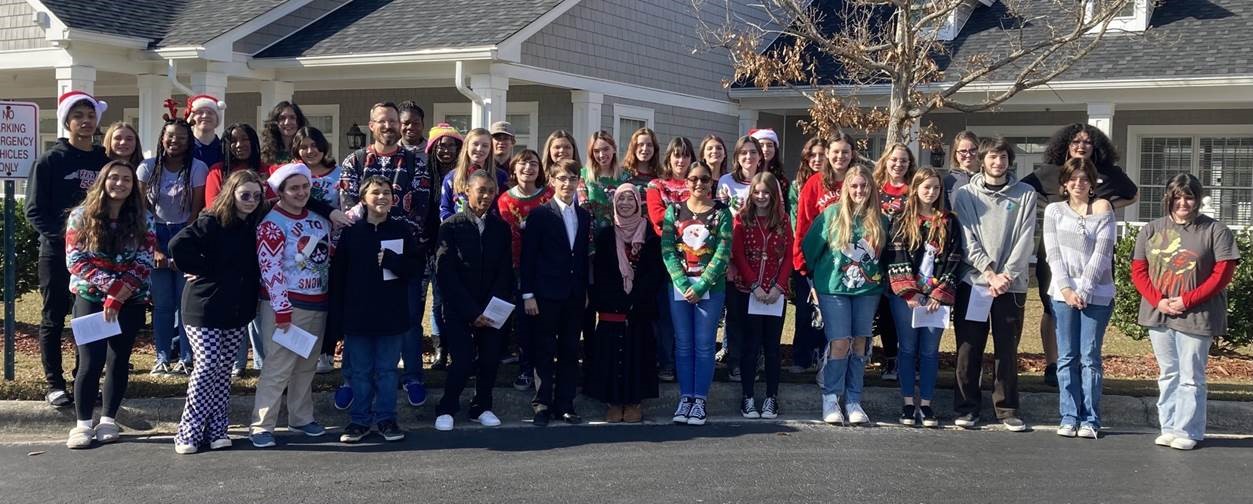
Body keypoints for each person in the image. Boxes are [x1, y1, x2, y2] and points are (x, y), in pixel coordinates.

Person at [339, 102, 440, 409]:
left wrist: (391, 234)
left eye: (393, 121)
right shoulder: (355, 160)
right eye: (382, 121)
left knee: (408, 316)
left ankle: (411, 376)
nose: (388, 126)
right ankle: (350, 380)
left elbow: (420, 208)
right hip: (361, 255)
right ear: (372, 125)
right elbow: (348, 207)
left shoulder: (415, 162)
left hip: (401, 250)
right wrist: (374, 236)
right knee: (357, 316)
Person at [1024, 123, 1138, 388]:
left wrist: (1109, 204)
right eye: (1076, 141)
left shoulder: (1109, 174)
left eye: (1087, 142)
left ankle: (1082, 362)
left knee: (1090, 305)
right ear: (1066, 145)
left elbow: (1133, 194)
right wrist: (1050, 206)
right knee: (1052, 305)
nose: (1081, 146)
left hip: (1094, 251)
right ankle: (1054, 364)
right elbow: (1023, 192)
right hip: (1055, 249)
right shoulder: (1048, 173)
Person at [1132, 173, 1238, 450]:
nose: (1183, 202)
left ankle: (1188, 430)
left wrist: (1188, 299)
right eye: (1177, 196)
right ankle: (1168, 426)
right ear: (1168, 197)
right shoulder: (1151, 230)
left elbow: (1223, 273)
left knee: (1191, 376)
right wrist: (1159, 300)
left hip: (1196, 315)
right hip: (1160, 313)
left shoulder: (1215, 231)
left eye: (1189, 196)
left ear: (1197, 199)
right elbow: (1139, 271)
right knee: (1168, 374)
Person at [168, 170, 267, 453]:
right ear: (231, 194)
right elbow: (178, 245)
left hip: (237, 309)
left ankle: (217, 428)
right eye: (244, 195)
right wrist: (202, 269)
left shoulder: (256, 223)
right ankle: (188, 431)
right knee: (208, 364)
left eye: (256, 196)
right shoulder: (211, 220)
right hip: (203, 307)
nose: (250, 200)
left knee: (224, 370)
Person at [25, 90, 110, 408]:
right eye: (78, 116)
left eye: (90, 116)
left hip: (96, 255)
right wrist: (66, 240)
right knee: (53, 317)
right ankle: (54, 384)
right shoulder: (50, 161)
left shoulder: (103, 160)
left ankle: (83, 379)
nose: (85, 121)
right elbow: (34, 211)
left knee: (88, 317)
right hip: (56, 253)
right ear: (67, 121)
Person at [63, 160, 156, 449]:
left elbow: (144, 260)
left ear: (133, 185)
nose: (120, 184)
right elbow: (75, 259)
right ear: (102, 181)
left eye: (126, 180)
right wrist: (111, 289)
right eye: (114, 178)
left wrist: (120, 295)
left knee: (118, 360)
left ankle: (108, 420)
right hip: (90, 298)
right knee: (90, 361)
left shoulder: (144, 217)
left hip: (131, 300)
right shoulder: (81, 216)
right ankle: (82, 424)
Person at [950, 137, 1037, 432]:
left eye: (1002, 157)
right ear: (982, 160)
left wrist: (1006, 275)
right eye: (992, 158)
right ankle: (967, 407)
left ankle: (1007, 408)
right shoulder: (965, 195)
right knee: (969, 347)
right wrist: (989, 273)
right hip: (975, 282)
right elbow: (966, 238)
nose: (997, 163)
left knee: (1007, 348)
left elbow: (1026, 239)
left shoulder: (1026, 194)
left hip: (1010, 286)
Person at [330, 176, 421, 443]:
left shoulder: (402, 231)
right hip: (358, 314)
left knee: (387, 370)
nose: (382, 197)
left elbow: (415, 270)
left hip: (391, 313)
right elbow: (339, 276)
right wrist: (338, 316)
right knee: (359, 371)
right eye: (375, 193)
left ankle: (386, 419)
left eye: (386, 193)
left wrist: (396, 262)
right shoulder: (352, 232)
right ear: (363, 199)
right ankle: (359, 421)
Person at [249, 163, 334, 448]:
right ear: (281, 191)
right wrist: (281, 308)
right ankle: (262, 424)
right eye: (294, 188)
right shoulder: (271, 223)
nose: (301, 193)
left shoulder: (320, 220)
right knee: (278, 366)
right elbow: (270, 268)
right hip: (285, 306)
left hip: (317, 302)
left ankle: (300, 417)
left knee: (306, 366)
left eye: (305, 187)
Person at [802, 165, 889, 426]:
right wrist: (817, 282)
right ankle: (831, 397)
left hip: (867, 290)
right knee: (840, 342)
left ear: (871, 188)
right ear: (846, 189)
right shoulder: (831, 216)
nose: (859, 190)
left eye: (864, 186)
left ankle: (853, 400)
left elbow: (884, 257)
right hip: (834, 289)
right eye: (854, 186)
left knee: (860, 343)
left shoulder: (880, 220)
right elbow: (810, 250)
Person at [434, 169, 514, 431]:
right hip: (460, 308)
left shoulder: (500, 228)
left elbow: (505, 271)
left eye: (491, 191)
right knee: (463, 359)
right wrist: (471, 312)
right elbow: (445, 272)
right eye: (482, 190)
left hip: (491, 308)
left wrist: (491, 308)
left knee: (490, 359)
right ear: (467, 191)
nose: (487, 196)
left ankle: (482, 406)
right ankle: (447, 407)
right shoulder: (451, 226)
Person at [1043, 158, 1117, 439]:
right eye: (1073, 179)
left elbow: (1102, 254)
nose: (1078, 184)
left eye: (1084, 179)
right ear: (1064, 182)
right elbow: (1053, 253)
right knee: (1066, 357)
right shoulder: (1054, 211)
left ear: (1092, 183)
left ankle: (1090, 419)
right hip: (1062, 294)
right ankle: (1069, 415)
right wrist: (1066, 290)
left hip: (1096, 294)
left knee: (1089, 357)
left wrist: (1083, 291)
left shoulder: (1103, 210)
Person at [886, 168, 962, 428]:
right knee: (907, 348)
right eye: (926, 187)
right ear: (916, 188)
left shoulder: (949, 221)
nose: (931, 192)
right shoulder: (900, 218)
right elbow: (895, 255)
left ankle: (926, 405)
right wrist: (910, 291)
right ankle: (908, 402)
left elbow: (955, 259)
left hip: (935, 299)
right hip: (906, 297)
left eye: (936, 188)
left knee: (929, 351)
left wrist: (939, 294)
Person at [522, 158, 593, 426]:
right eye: (562, 178)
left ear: (578, 182)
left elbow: (582, 257)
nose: (567, 183)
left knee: (569, 350)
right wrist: (528, 294)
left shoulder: (584, 216)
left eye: (572, 179)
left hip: (574, 295)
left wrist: (584, 289)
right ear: (552, 181)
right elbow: (528, 258)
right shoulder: (540, 215)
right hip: (545, 295)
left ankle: (565, 404)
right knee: (544, 349)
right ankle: (542, 405)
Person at [661, 162, 732, 426]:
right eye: (693, 179)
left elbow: (723, 253)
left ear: (711, 182)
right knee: (682, 343)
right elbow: (668, 249)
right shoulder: (674, 211)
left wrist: (701, 285)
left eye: (704, 179)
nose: (699, 184)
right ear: (686, 182)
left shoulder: (722, 213)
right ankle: (685, 397)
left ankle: (700, 399)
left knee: (703, 344)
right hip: (679, 287)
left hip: (711, 289)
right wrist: (681, 281)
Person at [137, 115, 209, 377]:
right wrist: (154, 247)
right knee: (163, 303)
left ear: (189, 141)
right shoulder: (147, 168)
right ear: (161, 139)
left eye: (181, 137)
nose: (174, 141)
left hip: (185, 232)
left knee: (185, 302)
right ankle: (162, 356)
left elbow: (197, 210)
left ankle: (188, 358)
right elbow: (141, 211)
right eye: (170, 136)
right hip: (155, 232)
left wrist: (184, 246)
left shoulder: (198, 168)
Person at [586, 184, 662, 423]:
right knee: (610, 356)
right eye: (621, 199)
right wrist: (617, 299)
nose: (626, 203)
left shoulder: (650, 234)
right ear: (614, 203)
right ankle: (613, 402)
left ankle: (634, 402)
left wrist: (635, 299)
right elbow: (601, 273)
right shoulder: (606, 235)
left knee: (638, 355)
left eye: (630, 199)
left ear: (638, 204)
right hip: (612, 308)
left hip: (640, 307)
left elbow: (655, 272)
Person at [730, 172, 792, 419]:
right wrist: (754, 284)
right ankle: (747, 397)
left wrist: (778, 286)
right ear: (751, 194)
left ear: (774, 195)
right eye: (757, 192)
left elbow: (788, 255)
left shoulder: (783, 220)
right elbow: (738, 254)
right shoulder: (742, 219)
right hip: (750, 291)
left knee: (772, 347)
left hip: (776, 293)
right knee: (751, 345)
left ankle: (771, 397)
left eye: (767, 192)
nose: (762, 197)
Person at [497, 149, 554, 390]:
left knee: (544, 321)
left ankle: (545, 369)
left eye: (533, 163)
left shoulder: (549, 196)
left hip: (546, 267)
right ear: (513, 169)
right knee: (521, 320)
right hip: (515, 266)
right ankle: (525, 368)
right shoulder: (504, 200)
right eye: (522, 164)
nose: (528, 168)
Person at [292, 126, 343, 377]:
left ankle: (326, 352)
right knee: (304, 300)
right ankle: (302, 350)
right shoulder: (293, 175)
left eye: (314, 145)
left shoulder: (339, 175)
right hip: (300, 247)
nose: (310, 151)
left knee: (330, 300)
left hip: (333, 246)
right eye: (303, 146)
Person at [645, 137, 694, 382]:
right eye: (677, 155)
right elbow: (657, 218)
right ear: (668, 158)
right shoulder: (657, 185)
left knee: (691, 312)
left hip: (696, 258)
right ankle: (666, 362)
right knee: (666, 313)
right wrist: (692, 220)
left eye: (685, 155)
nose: (681, 160)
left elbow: (709, 215)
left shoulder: (698, 184)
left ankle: (687, 361)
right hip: (664, 258)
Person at [717, 135, 763, 381]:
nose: (749, 157)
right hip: (732, 258)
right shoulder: (726, 182)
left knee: (755, 317)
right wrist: (729, 262)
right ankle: (734, 363)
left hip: (760, 260)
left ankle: (752, 363)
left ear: (760, 156)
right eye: (743, 152)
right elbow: (719, 222)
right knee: (735, 316)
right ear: (736, 157)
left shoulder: (767, 182)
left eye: (753, 152)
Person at [871, 143, 916, 381]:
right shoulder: (875, 189)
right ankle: (890, 359)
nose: (898, 164)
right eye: (894, 160)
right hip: (878, 260)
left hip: (906, 260)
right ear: (886, 161)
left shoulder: (915, 190)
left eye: (904, 161)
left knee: (906, 313)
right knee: (885, 312)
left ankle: (910, 360)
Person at [422, 123, 463, 370]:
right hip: (427, 247)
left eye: (451, 145)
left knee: (448, 300)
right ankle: (439, 350)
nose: (446, 150)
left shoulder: (461, 177)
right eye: (441, 145)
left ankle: (453, 348)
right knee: (434, 303)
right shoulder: (425, 176)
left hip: (453, 247)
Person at [786, 137, 828, 374]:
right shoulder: (797, 186)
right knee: (804, 309)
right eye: (812, 155)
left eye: (821, 155)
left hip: (829, 258)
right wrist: (804, 253)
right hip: (803, 254)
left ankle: (823, 355)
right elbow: (797, 222)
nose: (817, 159)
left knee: (827, 311)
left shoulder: (834, 183)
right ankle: (801, 357)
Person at [439, 127, 509, 220]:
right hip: (459, 230)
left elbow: (504, 209)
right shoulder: (452, 177)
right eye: (475, 144)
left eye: (485, 145)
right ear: (467, 146)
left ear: (490, 149)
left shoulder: (500, 176)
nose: (479, 149)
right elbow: (445, 209)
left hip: (490, 231)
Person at [577, 130, 629, 232]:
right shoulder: (584, 175)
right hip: (593, 235)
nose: (601, 155)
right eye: (596, 151)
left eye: (606, 149)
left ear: (614, 149)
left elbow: (630, 210)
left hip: (620, 236)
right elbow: (584, 209)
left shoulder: (625, 177)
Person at [205, 123, 263, 207]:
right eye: (233, 141)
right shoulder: (218, 171)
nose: (239, 145)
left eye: (245, 139)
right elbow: (212, 207)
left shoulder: (268, 170)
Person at [260, 101, 307, 167]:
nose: (287, 122)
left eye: (292, 117)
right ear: (275, 123)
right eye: (282, 118)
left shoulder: (307, 151)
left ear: (299, 121)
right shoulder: (266, 154)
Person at [185, 94, 225, 168]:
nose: (205, 116)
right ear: (192, 119)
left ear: (217, 120)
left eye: (210, 113)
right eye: (200, 112)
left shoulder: (225, 149)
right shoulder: (184, 148)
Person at [942, 130, 980, 209]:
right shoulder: (947, 182)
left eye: (972, 150)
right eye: (963, 151)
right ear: (955, 154)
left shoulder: (987, 179)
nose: (968, 155)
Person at [624, 127, 662, 191]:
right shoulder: (623, 174)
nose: (645, 149)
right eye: (640, 144)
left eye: (649, 145)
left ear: (654, 149)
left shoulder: (661, 176)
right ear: (634, 148)